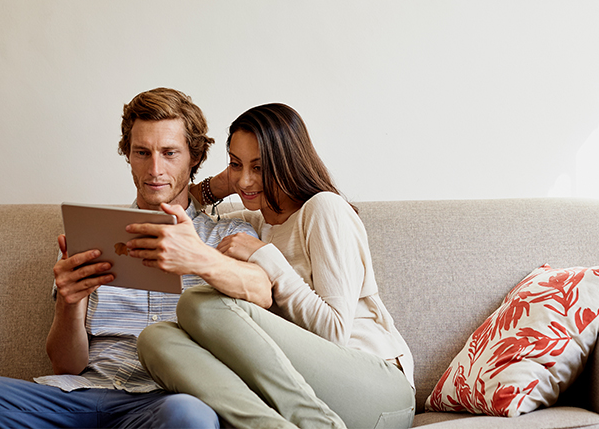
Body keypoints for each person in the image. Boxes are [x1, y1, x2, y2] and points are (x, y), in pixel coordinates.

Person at [0, 88, 272, 429]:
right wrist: (69, 304)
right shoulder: (90, 233)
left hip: (165, 401)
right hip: (83, 394)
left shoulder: (226, 236)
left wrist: (199, 259)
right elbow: (65, 366)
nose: (155, 169)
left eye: (169, 153)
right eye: (142, 152)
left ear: (194, 156)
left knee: (189, 416)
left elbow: (263, 290)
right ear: (128, 155)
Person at [136, 103, 416, 429]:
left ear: (288, 163)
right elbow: (184, 205)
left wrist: (265, 256)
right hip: (312, 394)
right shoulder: (256, 221)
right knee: (155, 339)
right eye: (235, 164)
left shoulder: (323, 209)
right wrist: (230, 182)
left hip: (376, 389)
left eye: (259, 167)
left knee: (198, 303)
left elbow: (334, 331)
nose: (245, 179)